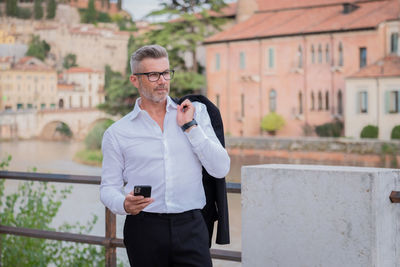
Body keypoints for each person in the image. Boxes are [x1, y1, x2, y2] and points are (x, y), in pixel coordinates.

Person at [100, 44, 230, 267]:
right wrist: (123, 203)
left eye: (166, 73)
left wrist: (190, 127)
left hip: (192, 226)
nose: (162, 80)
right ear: (135, 80)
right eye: (153, 75)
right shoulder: (117, 133)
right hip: (144, 229)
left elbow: (221, 168)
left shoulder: (195, 112)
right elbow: (107, 187)